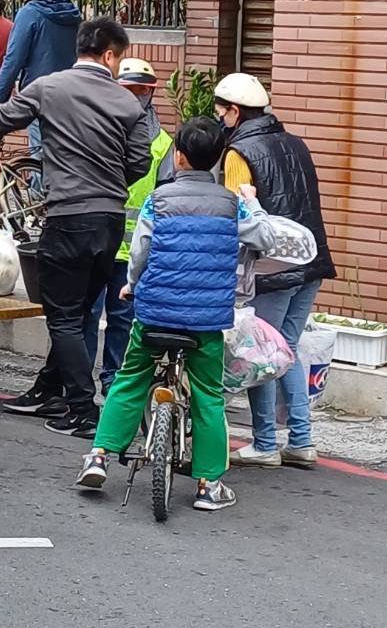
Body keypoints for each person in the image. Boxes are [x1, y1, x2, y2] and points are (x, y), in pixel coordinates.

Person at [75, 117, 277, 511]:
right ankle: (208, 485)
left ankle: (98, 456)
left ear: (179, 157)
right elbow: (265, 238)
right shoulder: (231, 204)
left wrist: (132, 284)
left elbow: (140, 252)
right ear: (217, 158)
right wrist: (251, 200)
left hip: (155, 312)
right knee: (208, 396)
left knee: (130, 378)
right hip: (207, 320)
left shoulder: (158, 199)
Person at [0, 18, 152, 438]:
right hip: (110, 221)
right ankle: (49, 389)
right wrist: (108, 184)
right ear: (109, 55)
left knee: (63, 317)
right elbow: (139, 162)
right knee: (75, 314)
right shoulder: (129, 103)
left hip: (67, 218)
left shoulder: (48, 87)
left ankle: (82, 408)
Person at [214, 72, 337, 469]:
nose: (219, 118)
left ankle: (265, 442)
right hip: (310, 261)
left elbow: (238, 216)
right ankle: (301, 440)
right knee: (288, 348)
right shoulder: (296, 143)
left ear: (235, 112)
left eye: (221, 111)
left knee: (261, 354)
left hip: (270, 269)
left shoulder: (239, 153)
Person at [82, 58, 175, 395]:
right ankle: (80, 383)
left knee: (122, 319)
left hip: (132, 249)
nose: (136, 97)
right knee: (87, 315)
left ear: (151, 94)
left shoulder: (162, 142)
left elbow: (166, 195)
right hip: (95, 240)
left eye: (142, 91)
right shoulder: (95, 130)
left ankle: (113, 382)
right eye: (129, 89)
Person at [0, 0, 81, 152]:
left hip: (39, 93)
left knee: (39, 154)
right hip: (70, 91)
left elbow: (13, 58)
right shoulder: (71, 11)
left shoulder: (30, 12)